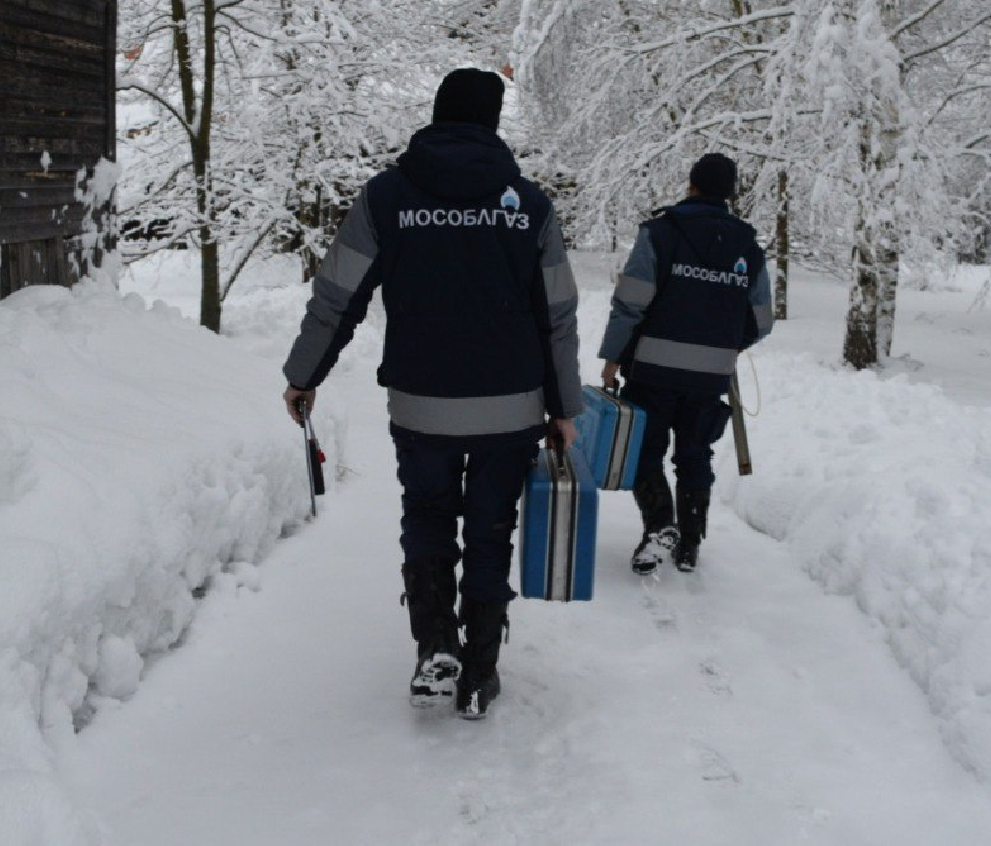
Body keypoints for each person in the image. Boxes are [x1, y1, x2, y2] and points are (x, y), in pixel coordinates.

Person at [282, 68, 581, 720]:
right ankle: (479, 669)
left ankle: (433, 645)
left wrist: (304, 375)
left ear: (437, 114)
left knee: (427, 514)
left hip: (421, 404)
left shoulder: (386, 196)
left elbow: (338, 297)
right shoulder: (527, 204)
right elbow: (555, 311)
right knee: (489, 528)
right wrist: (564, 408)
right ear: (492, 122)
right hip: (510, 404)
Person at [597, 153, 773, 575]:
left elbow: (631, 302)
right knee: (695, 454)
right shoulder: (748, 246)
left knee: (645, 452)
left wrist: (612, 356)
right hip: (710, 375)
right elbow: (762, 320)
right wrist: (726, 344)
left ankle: (660, 526)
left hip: (652, 370)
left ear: (691, 185)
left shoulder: (660, 233)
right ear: (730, 194)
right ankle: (690, 544)